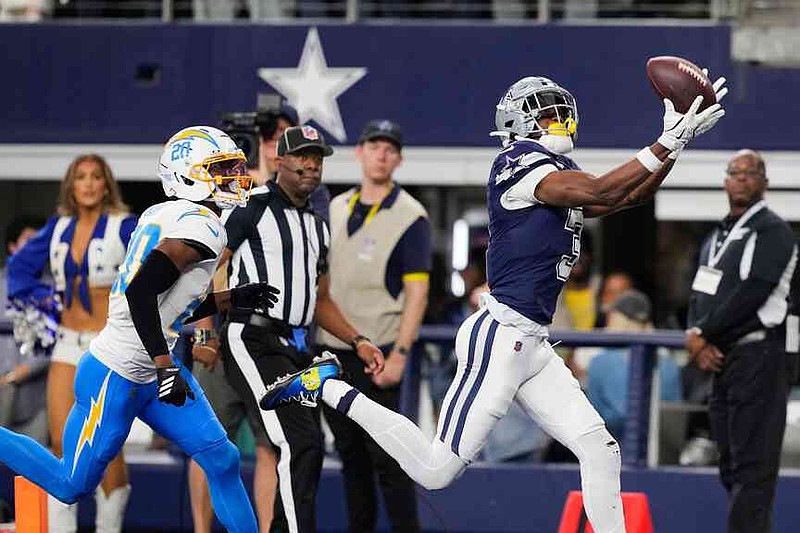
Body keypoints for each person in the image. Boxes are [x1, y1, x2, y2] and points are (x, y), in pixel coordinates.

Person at [262, 74, 727, 532]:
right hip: (500, 337)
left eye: (561, 112)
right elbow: (603, 190)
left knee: (600, 449)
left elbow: (627, 195)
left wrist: (677, 142)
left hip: (533, 342)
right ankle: (329, 386)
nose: (560, 120)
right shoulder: (517, 161)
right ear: (518, 122)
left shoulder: (556, 169)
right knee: (436, 470)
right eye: (547, 114)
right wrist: (666, 140)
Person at [0, 125, 288, 533]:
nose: (233, 177)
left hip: (148, 369)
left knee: (222, 459)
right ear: (188, 175)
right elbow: (140, 293)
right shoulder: (202, 225)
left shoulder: (163, 213)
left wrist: (228, 298)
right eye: (220, 169)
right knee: (69, 484)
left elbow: (166, 303)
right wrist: (165, 364)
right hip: (118, 371)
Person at [217, 125, 384, 533]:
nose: (311, 165)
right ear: (279, 160)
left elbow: (320, 300)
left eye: (317, 157)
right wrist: (205, 329)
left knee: (309, 444)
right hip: (251, 336)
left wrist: (358, 340)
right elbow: (211, 267)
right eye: (302, 156)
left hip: (294, 345)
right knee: (297, 441)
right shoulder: (251, 205)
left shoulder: (317, 226)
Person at [7, 154, 136, 533]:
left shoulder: (126, 226)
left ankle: (108, 528)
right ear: (71, 185)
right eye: (81, 177)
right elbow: (18, 269)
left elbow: (155, 271)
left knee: (107, 447)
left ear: (107, 184)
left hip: (109, 347)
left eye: (96, 176)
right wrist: (45, 301)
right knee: (63, 444)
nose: (89, 184)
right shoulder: (58, 227)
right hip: (66, 345)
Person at [316, 119, 429, 533]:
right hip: (331, 350)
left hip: (379, 352)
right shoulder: (335, 207)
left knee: (388, 456)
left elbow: (417, 292)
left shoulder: (411, 215)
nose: (381, 155)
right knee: (350, 454)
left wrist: (400, 353)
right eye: (374, 146)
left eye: (389, 149)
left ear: (399, 159)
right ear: (359, 153)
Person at [685, 149, 798, 533]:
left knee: (754, 467)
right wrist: (695, 334)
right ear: (725, 180)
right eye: (735, 172)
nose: (743, 178)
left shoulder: (774, 230)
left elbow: (753, 291)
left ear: (765, 181)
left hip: (759, 355)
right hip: (722, 359)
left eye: (751, 172)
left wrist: (704, 334)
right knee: (730, 462)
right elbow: (699, 293)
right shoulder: (716, 235)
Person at [586, 289, 681, 442]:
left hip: (615, 447)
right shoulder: (669, 362)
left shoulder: (602, 362)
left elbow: (618, 417)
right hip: (656, 446)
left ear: (620, 319)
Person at [0, 218, 49, 446]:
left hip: (37, 398)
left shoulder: (52, 288)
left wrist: (24, 371)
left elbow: (56, 340)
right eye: (29, 240)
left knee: (32, 461)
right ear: (12, 247)